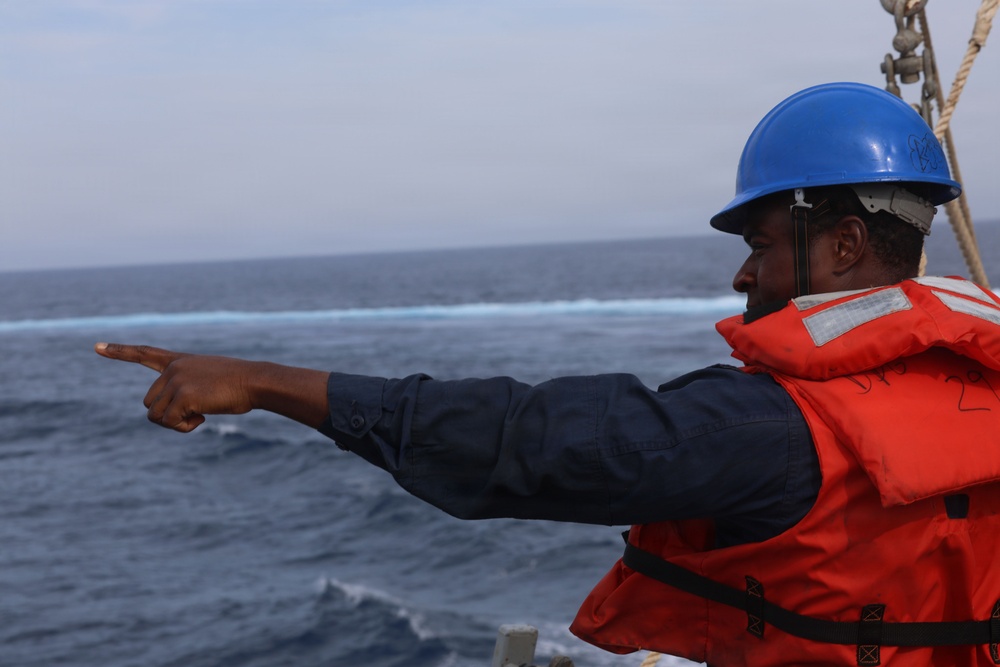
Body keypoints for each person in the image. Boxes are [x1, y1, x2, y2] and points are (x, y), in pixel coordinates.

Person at [96, 82, 1000, 666]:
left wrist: (260, 381)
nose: (741, 274)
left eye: (761, 245)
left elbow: (528, 444)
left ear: (842, 244)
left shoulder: (771, 426)